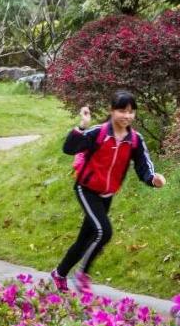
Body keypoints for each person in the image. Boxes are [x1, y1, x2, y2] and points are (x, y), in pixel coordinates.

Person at [51, 90, 166, 295]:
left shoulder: (135, 140)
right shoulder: (98, 133)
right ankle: (82, 274)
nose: (127, 116)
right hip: (86, 189)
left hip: (107, 194)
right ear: (112, 111)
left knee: (85, 239)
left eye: (131, 112)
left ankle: (59, 274)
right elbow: (69, 148)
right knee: (104, 232)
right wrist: (82, 126)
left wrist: (153, 179)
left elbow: (143, 166)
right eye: (122, 110)